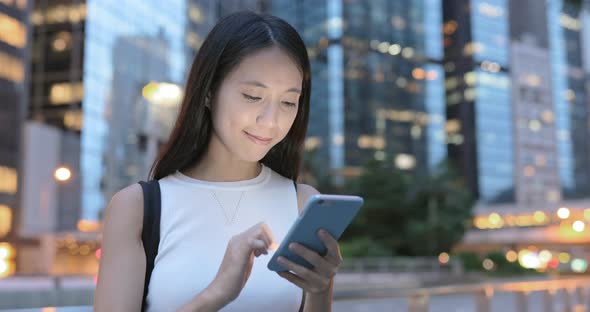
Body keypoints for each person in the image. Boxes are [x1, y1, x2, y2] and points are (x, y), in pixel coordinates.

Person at [94, 11, 343, 312]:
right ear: (210, 92)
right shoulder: (137, 207)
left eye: (289, 102)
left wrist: (320, 290)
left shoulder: (303, 203)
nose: (271, 121)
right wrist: (217, 293)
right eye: (253, 96)